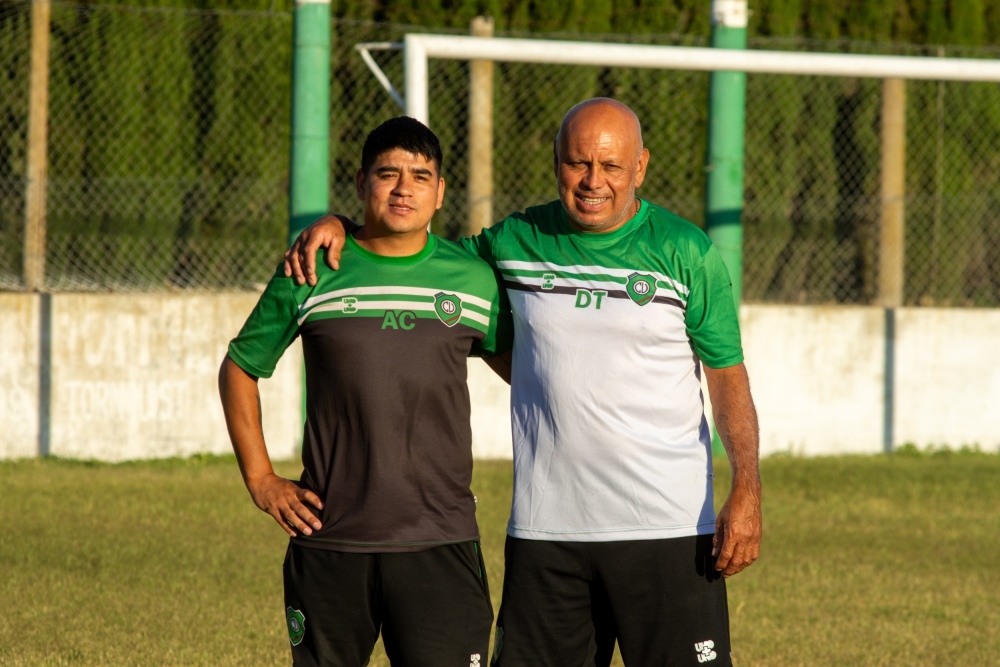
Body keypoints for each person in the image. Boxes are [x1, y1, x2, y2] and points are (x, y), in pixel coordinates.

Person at [284, 98, 762, 667]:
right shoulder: (515, 240)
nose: (593, 181)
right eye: (576, 163)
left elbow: (727, 377)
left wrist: (747, 488)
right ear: (556, 163)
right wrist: (344, 222)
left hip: (670, 529)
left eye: (611, 166)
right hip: (547, 535)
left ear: (640, 167)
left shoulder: (686, 251)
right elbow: (412, 254)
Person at [219, 116, 511, 667]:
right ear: (360, 183)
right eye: (388, 173)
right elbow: (240, 366)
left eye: (421, 176)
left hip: (439, 541)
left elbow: (534, 372)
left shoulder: (474, 280)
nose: (404, 188)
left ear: (441, 191)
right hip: (331, 541)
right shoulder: (311, 267)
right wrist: (259, 478)